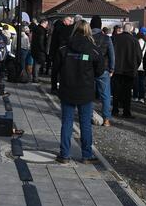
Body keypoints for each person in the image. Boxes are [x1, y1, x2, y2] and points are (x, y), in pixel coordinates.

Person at [55, 20, 104, 164]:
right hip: (85, 90)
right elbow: (100, 70)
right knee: (85, 124)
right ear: (88, 30)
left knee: (67, 122)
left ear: (74, 29)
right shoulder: (93, 49)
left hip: (67, 89)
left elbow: (56, 68)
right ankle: (86, 155)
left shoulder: (64, 47)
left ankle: (64, 154)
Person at [112, 23, 142, 119]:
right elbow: (139, 57)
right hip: (129, 70)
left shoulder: (115, 38)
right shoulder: (134, 41)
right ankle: (126, 111)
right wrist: (135, 67)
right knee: (127, 92)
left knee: (116, 91)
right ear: (131, 29)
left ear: (122, 29)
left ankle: (115, 110)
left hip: (117, 69)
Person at [91, 16, 115, 126]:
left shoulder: (87, 37)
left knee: (89, 93)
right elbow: (112, 55)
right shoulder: (107, 38)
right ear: (100, 25)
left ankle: (89, 115)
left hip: (89, 69)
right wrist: (112, 68)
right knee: (105, 95)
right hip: (103, 69)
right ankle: (106, 119)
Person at [49, 16, 75, 92]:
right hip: (60, 52)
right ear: (65, 20)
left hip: (55, 52)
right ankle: (58, 87)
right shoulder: (64, 29)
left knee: (55, 71)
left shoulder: (57, 28)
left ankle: (54, 87)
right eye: (69, 21)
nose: (70, 23)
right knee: (60, 70)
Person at [134, 29, 146, 102]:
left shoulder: (134, 43)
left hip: (136, 65)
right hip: (144, 65)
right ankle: (142, 97)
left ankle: (135, 96)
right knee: (142, 82)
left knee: (135, 81)